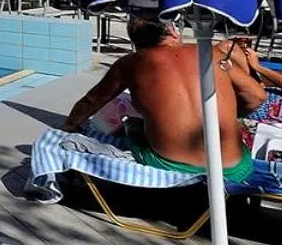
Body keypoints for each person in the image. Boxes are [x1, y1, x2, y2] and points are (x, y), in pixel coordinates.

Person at [60, 14, 255, 182]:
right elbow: (257, 97)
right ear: (172, 31)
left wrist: (70, 125)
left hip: (171, 165)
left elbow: (92, 101)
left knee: (132, 124)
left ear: (135, 42)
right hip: (235, 169)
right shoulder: (211, 54)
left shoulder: (131, 63)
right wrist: (228, 114)